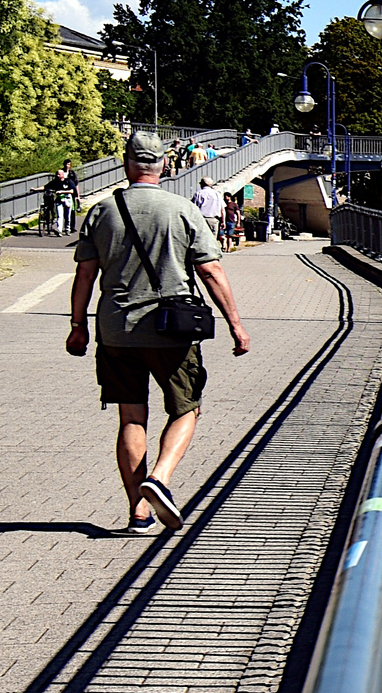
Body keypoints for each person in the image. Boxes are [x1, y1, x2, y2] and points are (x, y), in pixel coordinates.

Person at [67, 129, 250, 535]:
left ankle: (138, 513)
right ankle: (161, 477)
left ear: (126, 164)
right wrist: (236, 324)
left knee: (131, 417)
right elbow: (211, 270)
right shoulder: (181, 209)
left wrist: (78, 326)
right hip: (171, 330)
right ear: (164, 165)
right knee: (187, 408)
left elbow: (85, 273)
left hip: (115, 330)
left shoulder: (102, 211)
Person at [192, 177, 225, 242]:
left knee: (201, 239)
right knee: (212, 240)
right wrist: (223, 221)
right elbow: (222, 209)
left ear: (202, 184)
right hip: (214, 219)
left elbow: (194, 208)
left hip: (201, 219)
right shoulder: (217, 194)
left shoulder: (198, 193)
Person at [41, 170, 72, 236]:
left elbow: (72, 191)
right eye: (57, 174)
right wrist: (35, 189)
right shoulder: (55, 182)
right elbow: (45, 187)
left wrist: (62, 191)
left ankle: (67, 229)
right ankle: (59, 230)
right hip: (59, 200)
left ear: (63, 174)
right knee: (60, 215)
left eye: (59, 174)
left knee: (67, 216)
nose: (57, 175)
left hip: (67, 199)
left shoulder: (68, 181)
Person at [60, 159, 80, 233]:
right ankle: (64, 226)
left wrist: (78, 195)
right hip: (62, 193)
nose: (67, 166)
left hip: (71, 194)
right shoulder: (61, 172)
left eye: (68, 164)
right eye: (66, 164)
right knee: (64, 211)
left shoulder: (72, 173)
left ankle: (72, 226)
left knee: (72, 210)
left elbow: (76, 184)